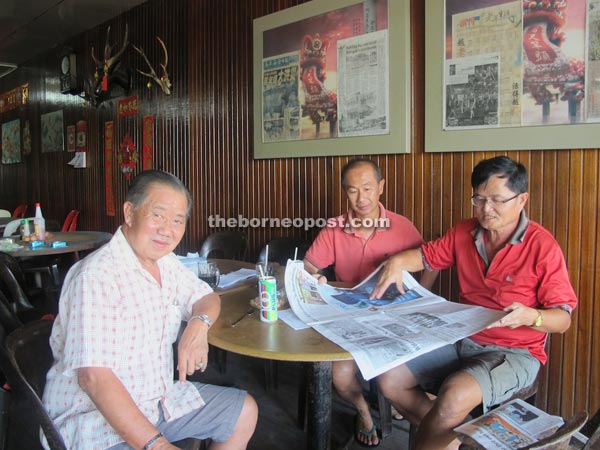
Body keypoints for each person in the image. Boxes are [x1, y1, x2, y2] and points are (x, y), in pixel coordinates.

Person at [371, 156, 578, 450]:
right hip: (461, 338)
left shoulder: (542, 246)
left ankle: (448, 434)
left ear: (522, 200)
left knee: (453, 396)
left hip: (514, 353)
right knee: (389, 377)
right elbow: (426, 256)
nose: (486, 210)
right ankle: (460, 439)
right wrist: (396, 262)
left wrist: (532, 316)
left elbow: (563, 320)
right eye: (479, 199)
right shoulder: (464, 232)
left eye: (496, 200)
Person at [42, 170, 258, 450]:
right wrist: (157, 445)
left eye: (178, 220)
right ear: (129, 213)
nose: (168, 230)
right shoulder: (97, 275)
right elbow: (94, 378)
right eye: (158, 215)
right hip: (94, 422)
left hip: (156, 400)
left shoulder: (164, 262)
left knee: (243, 411)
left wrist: (197, 325)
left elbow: (206, 298)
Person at [303, 158, 438, 447]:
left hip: (395, 315)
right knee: (339, 376)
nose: (361, 198)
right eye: (352, 190)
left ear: (381, 187)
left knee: (408, 372)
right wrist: (317, 279)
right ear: (344, 192)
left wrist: (421, 297)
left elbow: (431, 262)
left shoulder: (401, 227)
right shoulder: (335, 228)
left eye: (367, 188)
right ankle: (364, 412)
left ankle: (406, 406)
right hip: (349, 315)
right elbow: (309, 266)